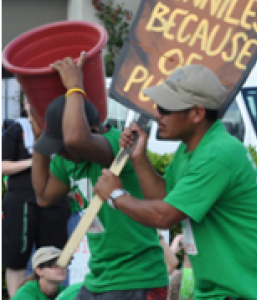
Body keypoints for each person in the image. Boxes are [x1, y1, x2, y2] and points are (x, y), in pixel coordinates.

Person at [94, 64, 257, 299]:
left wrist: (117, 196)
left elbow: (163, 216)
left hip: (256, 293)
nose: (157, 114)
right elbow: (164, 198)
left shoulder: (218, 153)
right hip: (223, 291)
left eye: (165, 108)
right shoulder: (191, 149)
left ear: (197, 114)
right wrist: (139, 158)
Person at [30, 52, 168, 300]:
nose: (61, 154)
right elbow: (42, 196)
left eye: (62, 147)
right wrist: (40, 140)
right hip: (99, 279)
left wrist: (75, 87)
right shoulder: (67, 160)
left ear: (92, 130)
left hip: (136, 278)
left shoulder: (116, 146)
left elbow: (76, 139)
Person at [2, 98, 70, 298]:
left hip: (56, 202)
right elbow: (2, 165)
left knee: (55, 259)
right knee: (16, 258)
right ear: (25, 104)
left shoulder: (65, 130)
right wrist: (34, 161)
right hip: (22, 201)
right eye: (32, 99)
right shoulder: (16, 129)